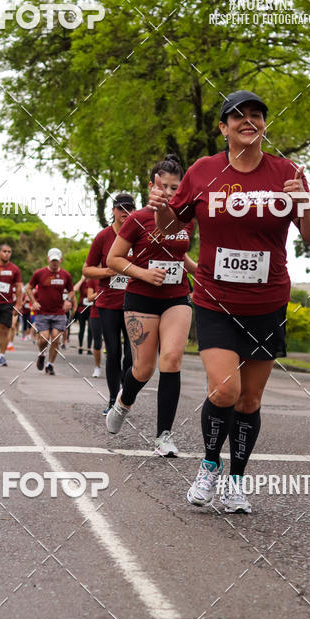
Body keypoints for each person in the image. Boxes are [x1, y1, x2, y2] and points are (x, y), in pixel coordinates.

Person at [149, 89, 310, 512]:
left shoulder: (286, 172)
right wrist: (160, 208)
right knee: (226, 390)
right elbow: (170, 227)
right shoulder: (203, 171)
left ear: (264, 124)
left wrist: (301, 199)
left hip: (268, 302)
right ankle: (210, 465)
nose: (248, 121)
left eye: (256, 115)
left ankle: (236, 480)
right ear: (223, 127)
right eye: (238, 116)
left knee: (250, 400)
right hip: (216, 299)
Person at [105, 154, 197, 457]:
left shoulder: (187, 219)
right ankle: (123, 401)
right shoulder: (137, 219)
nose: (170, 192)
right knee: (143, 368)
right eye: (165, 186)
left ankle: (164, 436)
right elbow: (113, 259)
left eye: (175, 187)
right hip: (142, 297)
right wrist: (143, 273)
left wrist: (203, 274)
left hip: (177, 297)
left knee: (171, 359)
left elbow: (178, 254)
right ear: (151, 186)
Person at [83, 194, 135, 413]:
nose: (125, 212)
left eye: (130, 209)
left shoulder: (138, 235)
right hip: (107, 305)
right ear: (113, 211)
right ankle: (113, 399)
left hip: (134, 303)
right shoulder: (103, 236)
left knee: (131, 356)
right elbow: (87, 269)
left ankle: (125, 393)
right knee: (113, 351)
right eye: (121, 208)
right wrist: (109, 270)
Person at [26, 248, 74, 376]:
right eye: (52, 260)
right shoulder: (39, 273)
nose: (54, 263)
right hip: (43, 312)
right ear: (48, 259)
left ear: (60, 261)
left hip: (59, 312)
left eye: (56, 261)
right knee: (43, 339)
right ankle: (42, 355)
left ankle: (50, 365)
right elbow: (29, 288)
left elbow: (71, 290)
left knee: (56, 339)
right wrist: (33, 302)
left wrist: (68, 301)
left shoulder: (66, 275)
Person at [73, 276, 95, 355]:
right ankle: (80, 346)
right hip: (82, 308)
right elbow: (74, 289)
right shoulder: (82, 283)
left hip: (91, 308)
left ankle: (89, 348)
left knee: (90, 329)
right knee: (81, 328)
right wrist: (81, 279)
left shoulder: (93, 281)